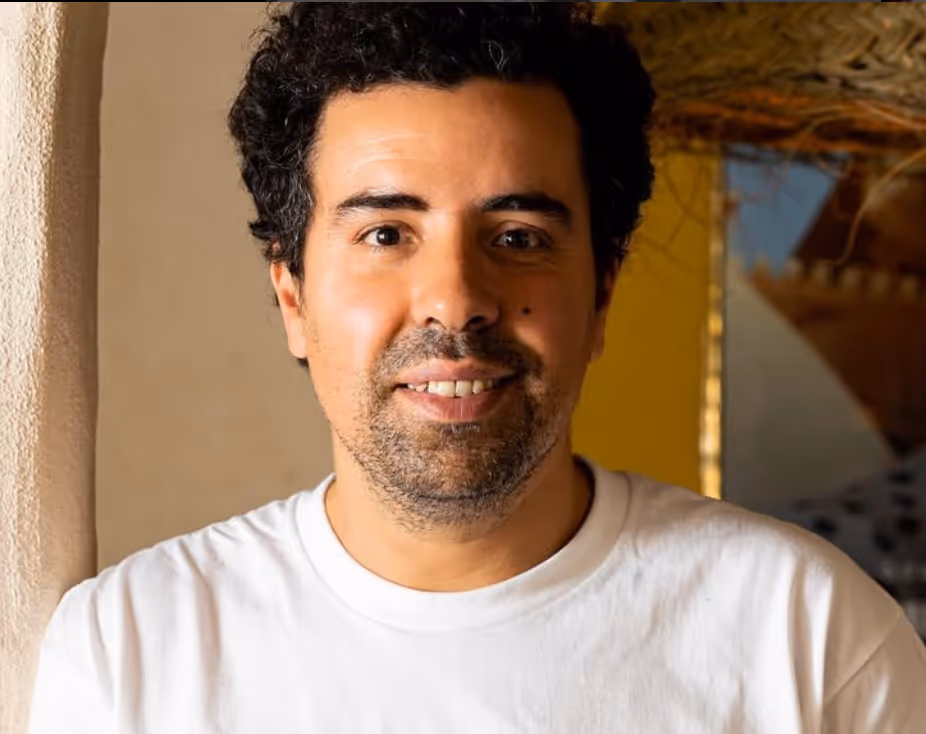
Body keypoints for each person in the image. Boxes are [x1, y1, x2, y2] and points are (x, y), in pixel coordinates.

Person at [28, 3, 926, 732]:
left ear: (603, 292)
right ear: (293, 298)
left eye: (518, 238)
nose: (455, 301)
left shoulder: (811, 641)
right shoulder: (132, 652)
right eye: (386, 234)